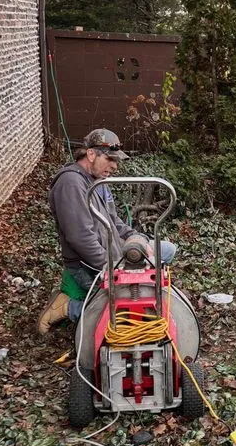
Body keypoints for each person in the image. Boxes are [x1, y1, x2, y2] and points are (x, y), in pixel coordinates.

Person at [37, 129, 176, 334]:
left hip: (115, 252)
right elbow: (80, 238)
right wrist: (112, 269)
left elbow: (115, 221)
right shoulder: (71, 184)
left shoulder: (99, 181)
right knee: (120, 312)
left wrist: (138, 239)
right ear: (91, 154)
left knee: (166, 250)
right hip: (88, 265)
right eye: (110, 159)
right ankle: (67, 307)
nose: (115, 166)